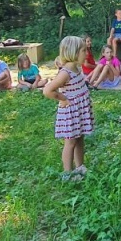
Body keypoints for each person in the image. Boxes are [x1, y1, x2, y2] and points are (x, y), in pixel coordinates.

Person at [45, 36, 95, 181]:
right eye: (83, 51)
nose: (86, 53)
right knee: (70, 141)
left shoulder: (75, 68)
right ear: (73, 53)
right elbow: (47, 90)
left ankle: (80, 167)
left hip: (79, 111)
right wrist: (63, 99)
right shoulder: (65, 73)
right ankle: (68, 173)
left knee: (80, 138)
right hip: (71, 112)